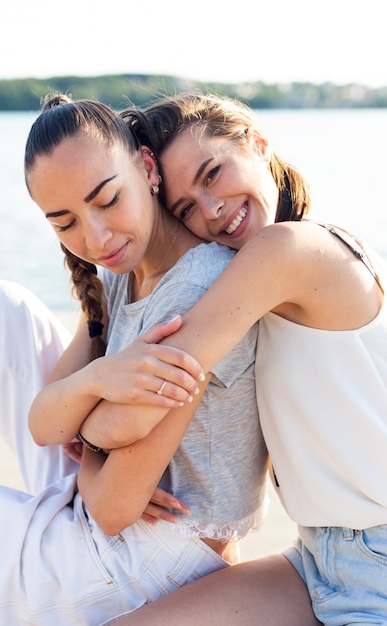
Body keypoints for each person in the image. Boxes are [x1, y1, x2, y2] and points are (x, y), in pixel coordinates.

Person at [0, 93, 268, 625]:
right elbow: (42, 424)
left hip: (143, 563)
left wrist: (81, 429)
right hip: (105, 518)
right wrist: (102, 377)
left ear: (147, 167)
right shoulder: (119, 272)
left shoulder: (194, 292)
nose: (97, 237)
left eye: (107, 200)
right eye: (65, 224)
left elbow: (111, 509)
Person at [104, 92, 387, 625]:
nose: (210, 209)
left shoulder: (286, 250)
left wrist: (81, 417)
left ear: (257, 143)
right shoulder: (258, 273)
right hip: (314, 560)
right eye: (185, 207)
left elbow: (137, 409)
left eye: (212, 174)